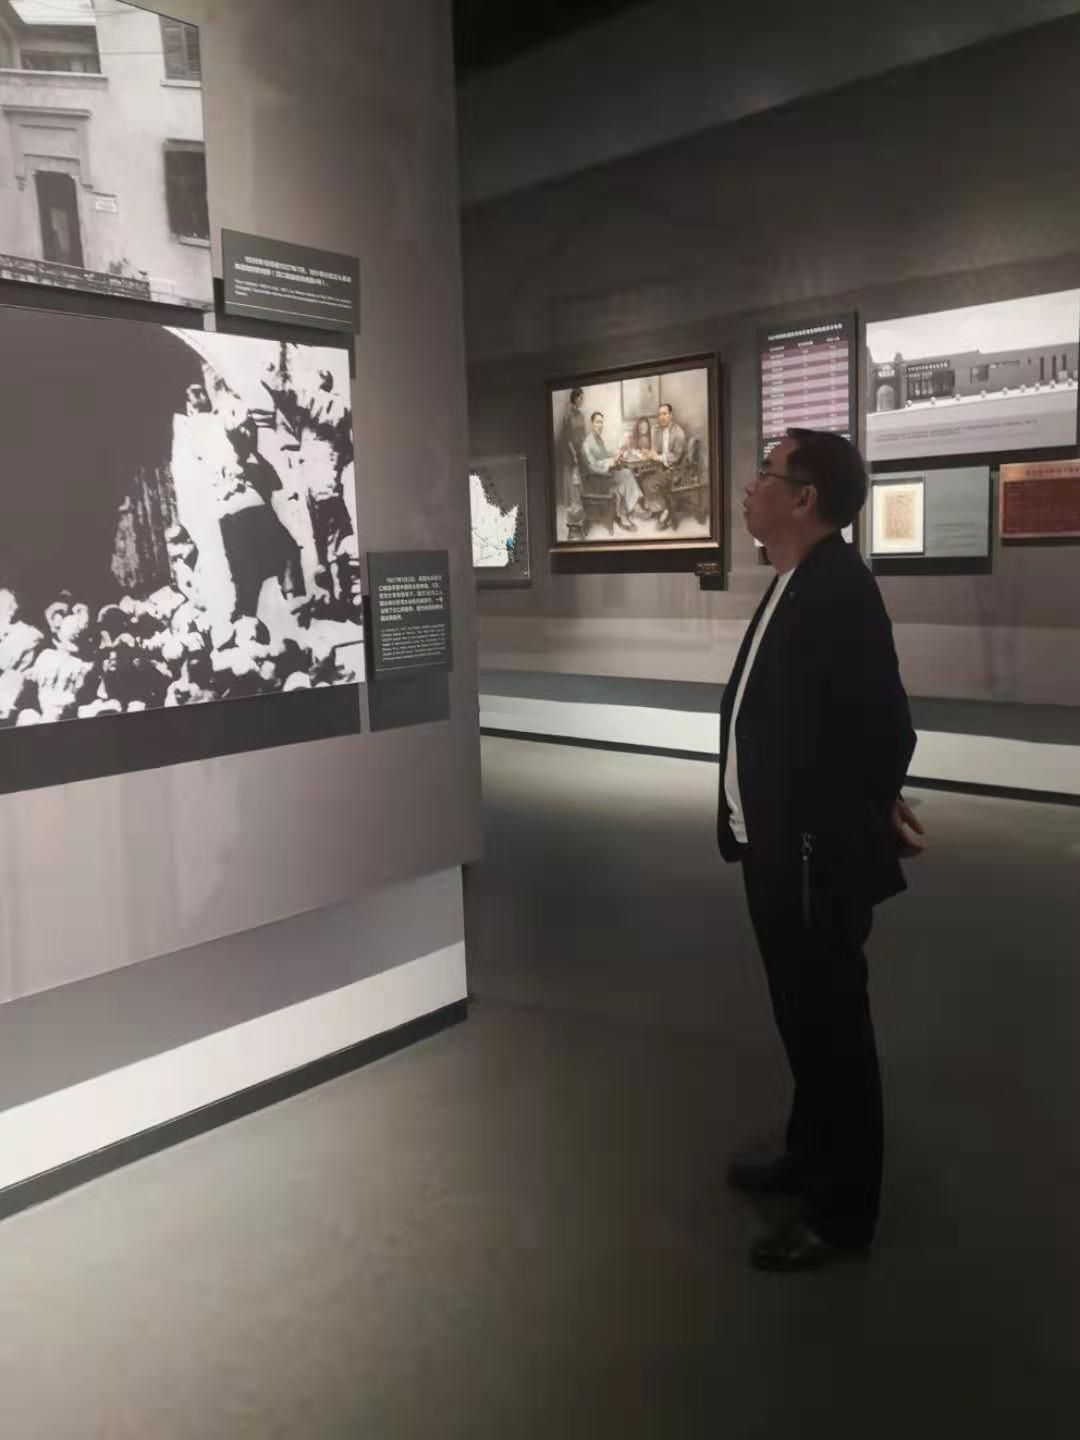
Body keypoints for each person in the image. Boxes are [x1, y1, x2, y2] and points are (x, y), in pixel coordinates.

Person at [718, 428, 924, 1272]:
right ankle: (810, 1155)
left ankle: (843, 1212)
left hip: (811, 860)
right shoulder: (798, 581)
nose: (749, 487)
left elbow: (887, 730)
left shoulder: (839, 591)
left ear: (803, 499)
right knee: (802, 1017)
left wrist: (845, 823)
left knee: (834, 1030)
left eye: (764, 474)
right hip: (776, 851)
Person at [581, 411, 643, 532]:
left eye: (601, 422)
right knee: (621, 484)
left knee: (627, 472)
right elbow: (592, 466)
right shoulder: (587, 443)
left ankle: (635, 505)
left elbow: (605, 454)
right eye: (597, 422)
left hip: (604, 475)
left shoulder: (598, 439)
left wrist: (616, 453)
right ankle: (622, 516)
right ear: (592, 423)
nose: (600, 425)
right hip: (595, 481)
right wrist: (610, 462)